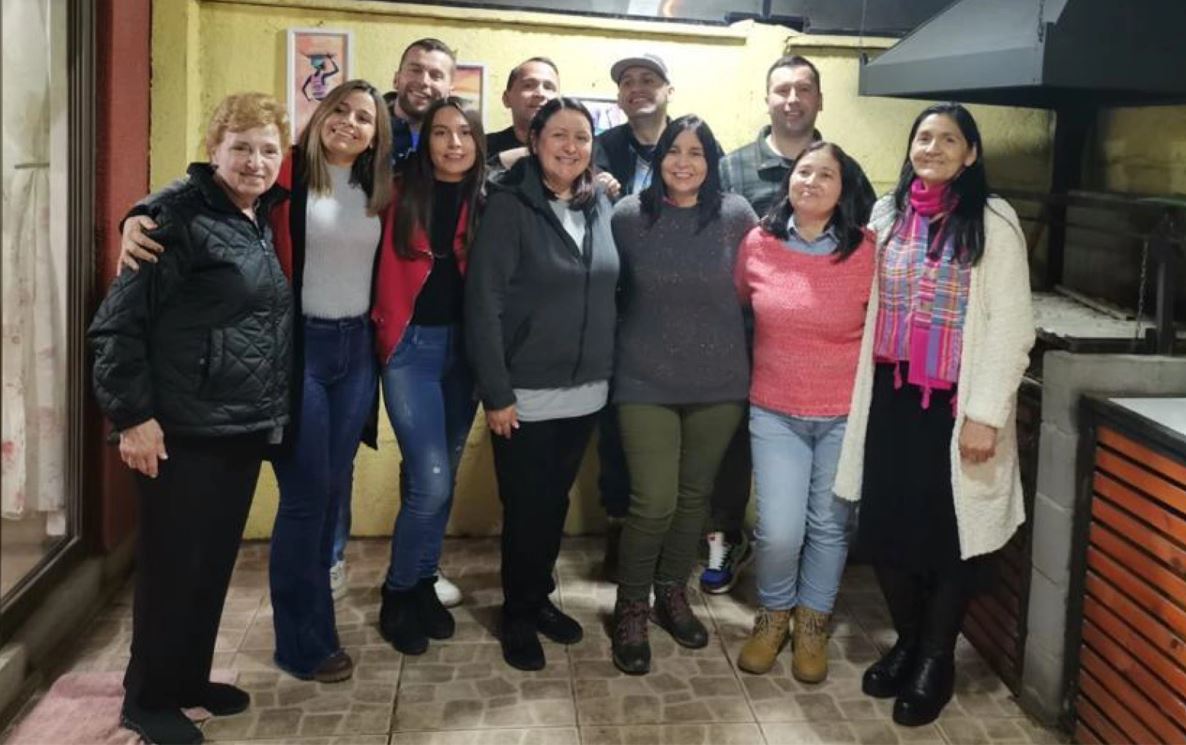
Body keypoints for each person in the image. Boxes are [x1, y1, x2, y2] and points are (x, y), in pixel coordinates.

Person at [117, 80, 396, 684]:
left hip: (355, 354)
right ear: (320, 115)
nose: (350, 123)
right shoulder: (286, 171)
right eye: (340, 110)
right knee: (306, 497)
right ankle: (302, 642)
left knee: (332, 492)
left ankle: (310, 631)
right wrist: (138, 215)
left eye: (364, 117)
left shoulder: (380, 186)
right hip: (299, 349)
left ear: (378, 134)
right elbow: (202, 186)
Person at [89, 92, 292, 745]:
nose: (255, 161)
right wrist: (134, 417)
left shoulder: (255, 215)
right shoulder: (172, 218)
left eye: (267, 149)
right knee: (172, 567)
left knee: (209, 564)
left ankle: (188, 680)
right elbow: (117, 327)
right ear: (214, 150)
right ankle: (146, 698)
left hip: (237, 426)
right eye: (241, 148)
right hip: (179, 428)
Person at [834, 102, 1035, 726]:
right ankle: (908, 640)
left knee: (951, 537)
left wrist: (985, 415)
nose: (934, 147)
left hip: (955, 404)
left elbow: (1012, 327)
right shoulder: (886, 214)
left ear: (971, 153)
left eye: (950, 139)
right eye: (924, 137)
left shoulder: (993, 221)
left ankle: (936, 659)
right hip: (891, 397)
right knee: (888, 530)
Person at [704, 54, 874, 596]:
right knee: (733, 460)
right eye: (782, 89)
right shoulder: (731, 168)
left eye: (804, 89)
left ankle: (813, 588)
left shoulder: (848, 170)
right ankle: (726, 540)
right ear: (767, 98)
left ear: (819, 99)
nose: (793, 99)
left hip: (826, 365)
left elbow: (864, 251)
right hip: (746, 349)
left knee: (819, 506)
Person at [465, 97, 619, 672]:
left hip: (587, 390)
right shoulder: (509, 205)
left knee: (552, 506)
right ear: (534, 141)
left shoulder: (600, 203)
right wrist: (497, 392)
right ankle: (517, 614)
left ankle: (537, 598)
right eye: (559, 135)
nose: (571, 147)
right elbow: (483, 304)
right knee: (526, 509)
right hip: (525, 394)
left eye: (582, 137)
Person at [608, 115, 756, 675]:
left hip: (719, 382)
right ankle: (631, 606)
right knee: (654, 502)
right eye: (674, 150)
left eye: (697, 152)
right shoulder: (628, 216)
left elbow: (760, 285)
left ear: (711, 162)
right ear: (659, 158)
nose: (684, 162)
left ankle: (672, 593)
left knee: (695, 498)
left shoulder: (736, 216)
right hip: (643, 379)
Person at [733, 141, 876, 682]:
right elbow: (741, 301)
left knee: (831, 527)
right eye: (803, 171)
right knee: (779, 531)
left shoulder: (868, 250)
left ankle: (813, 622)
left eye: (826, 175)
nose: (811, 182)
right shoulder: (758, 243)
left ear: (843, 188)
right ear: (788, 180)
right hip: (775, 411)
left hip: (843, 414)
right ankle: (773, 616)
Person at [372, 97, 485, 656]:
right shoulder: (394, 190)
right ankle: (397, 592)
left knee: (443, 475)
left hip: (466, 353)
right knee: (431, 479)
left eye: (465, 132)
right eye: (441, 132)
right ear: (426, 140)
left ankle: (421, 582)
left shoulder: (488, 199)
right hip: (410, 348)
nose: (454, 143)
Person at [591, 52, 674, 581]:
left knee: (672, 429)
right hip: (615, 310)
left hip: (677, 312)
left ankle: (669, 538)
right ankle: (620, 530)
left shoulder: (691, 143)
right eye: (627, 81)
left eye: (648, 79)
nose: (636, 87)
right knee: (616, 428)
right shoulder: (602, 147)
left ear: (669, 90)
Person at [385, 38, 456, 167]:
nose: (424, 81)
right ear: (396, 79)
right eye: (415, 70)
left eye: (436, 75)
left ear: (450, 89)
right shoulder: (368, 132)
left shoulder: (460, 142)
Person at [486, 57, 559, 170]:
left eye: (548, 87)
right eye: (528, 85)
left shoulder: (574, 149)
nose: (540, 94)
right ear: (506, 99)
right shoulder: (481, 147)